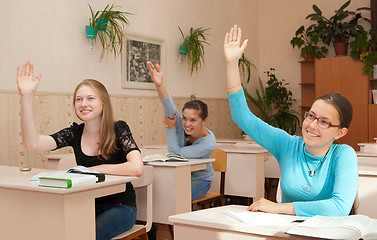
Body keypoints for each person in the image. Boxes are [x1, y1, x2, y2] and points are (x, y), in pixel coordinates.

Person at [223, 25, 358, 217]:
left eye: (324, 122)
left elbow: (338, 208)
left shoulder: (343, 155)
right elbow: (242, 117)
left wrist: (279, 208)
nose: (312, 125)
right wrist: (231, 64)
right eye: (311, 116)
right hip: (287, 232)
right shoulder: (287, 145)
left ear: (340, 132)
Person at [16, 61, 144, 240]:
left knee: (87, 235)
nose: (83, 103)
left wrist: (95, 170)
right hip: (85, 205)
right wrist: (26, 97)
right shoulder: (74, 133)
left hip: (120, 206)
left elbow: (136, 168)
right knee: (52, 230)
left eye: (90, 98)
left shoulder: (119, 128)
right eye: (79, 99)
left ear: (103, 103)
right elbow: (32, 142)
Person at [146, 61, 216, 201]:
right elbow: (168, 106)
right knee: (155, 193)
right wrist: (159, 85)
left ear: (204, 120)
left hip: (201, 180)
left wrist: (171, 128)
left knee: (176, 197)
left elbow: (175, 154)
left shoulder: (208, 143)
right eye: (184, 118)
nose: (187, 124)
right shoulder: (181, 123)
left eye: (193, 120)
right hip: (180, 175)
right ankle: (154, 222)